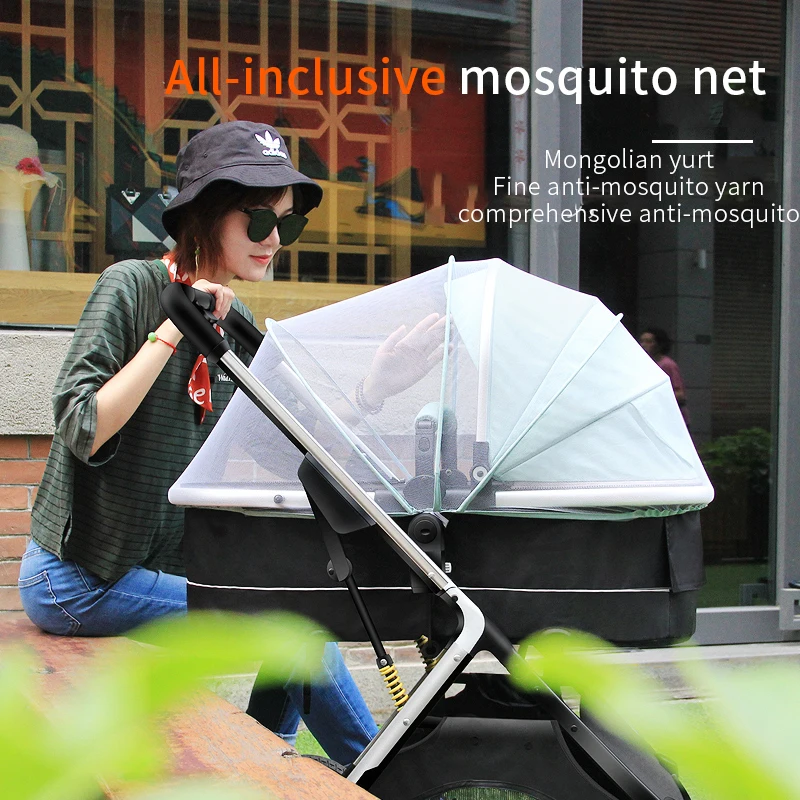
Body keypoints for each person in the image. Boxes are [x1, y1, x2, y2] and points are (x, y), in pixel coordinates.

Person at [18, 120, 380, 764]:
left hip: (152, 571)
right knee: (291, 627)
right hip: (78, 580)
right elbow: (81, 425)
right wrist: (172, 329)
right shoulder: (130, 287)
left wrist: (377, 384)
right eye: (260, 221)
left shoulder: (234, 324)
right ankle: (381, 774)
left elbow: (292, 442)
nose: (276, 240)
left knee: (295, 616)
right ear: (208, 215)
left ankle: (274, 763)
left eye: (288, 224)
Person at [639, 326, 690, 428]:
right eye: (642, 341)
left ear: (660, 345)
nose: (643, 345)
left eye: (649, 342)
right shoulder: (643, 364)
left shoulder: (667, 365)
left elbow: (680, 394)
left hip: (671, 420)